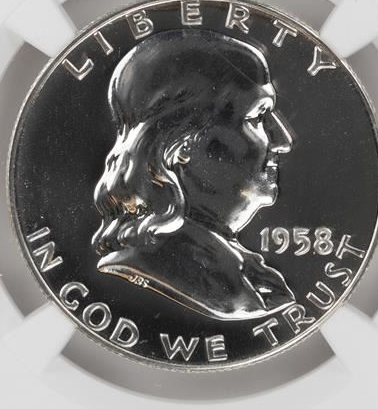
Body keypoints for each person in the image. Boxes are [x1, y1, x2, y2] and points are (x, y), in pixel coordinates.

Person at [92, 28, 295, 320]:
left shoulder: (243, 273)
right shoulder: (174, 270)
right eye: (257, 117)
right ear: (181, 146)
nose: (283, 140)